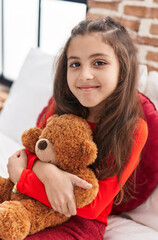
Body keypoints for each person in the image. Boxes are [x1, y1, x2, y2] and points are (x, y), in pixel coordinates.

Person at [7, 17, 148, 239]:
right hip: (31, 202)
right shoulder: (60, 104)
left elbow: (92, 206)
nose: (84, 75)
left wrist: (22, 178)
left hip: (81, 221)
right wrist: (48, 172)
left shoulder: (133, 129)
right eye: (75, 64)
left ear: (123, 68)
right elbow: (31, 152)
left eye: (99, 62)